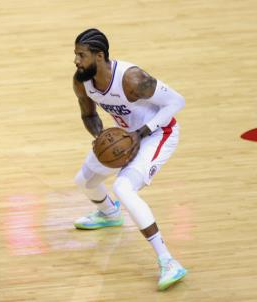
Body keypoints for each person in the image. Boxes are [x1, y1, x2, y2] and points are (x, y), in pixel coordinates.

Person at [72, 28, 187, 291]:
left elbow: (176, 103)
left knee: (123, 187)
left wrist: (140, 134)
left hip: (158, 133)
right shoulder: (82, 81)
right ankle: (109, 214)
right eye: (75, 55)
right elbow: (89, 115)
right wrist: (104, 138)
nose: (76, 61)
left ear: (99, 56)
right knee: (85, 181)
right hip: (124, 137)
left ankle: (168, 262)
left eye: (81, 55)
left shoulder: (132, 79)